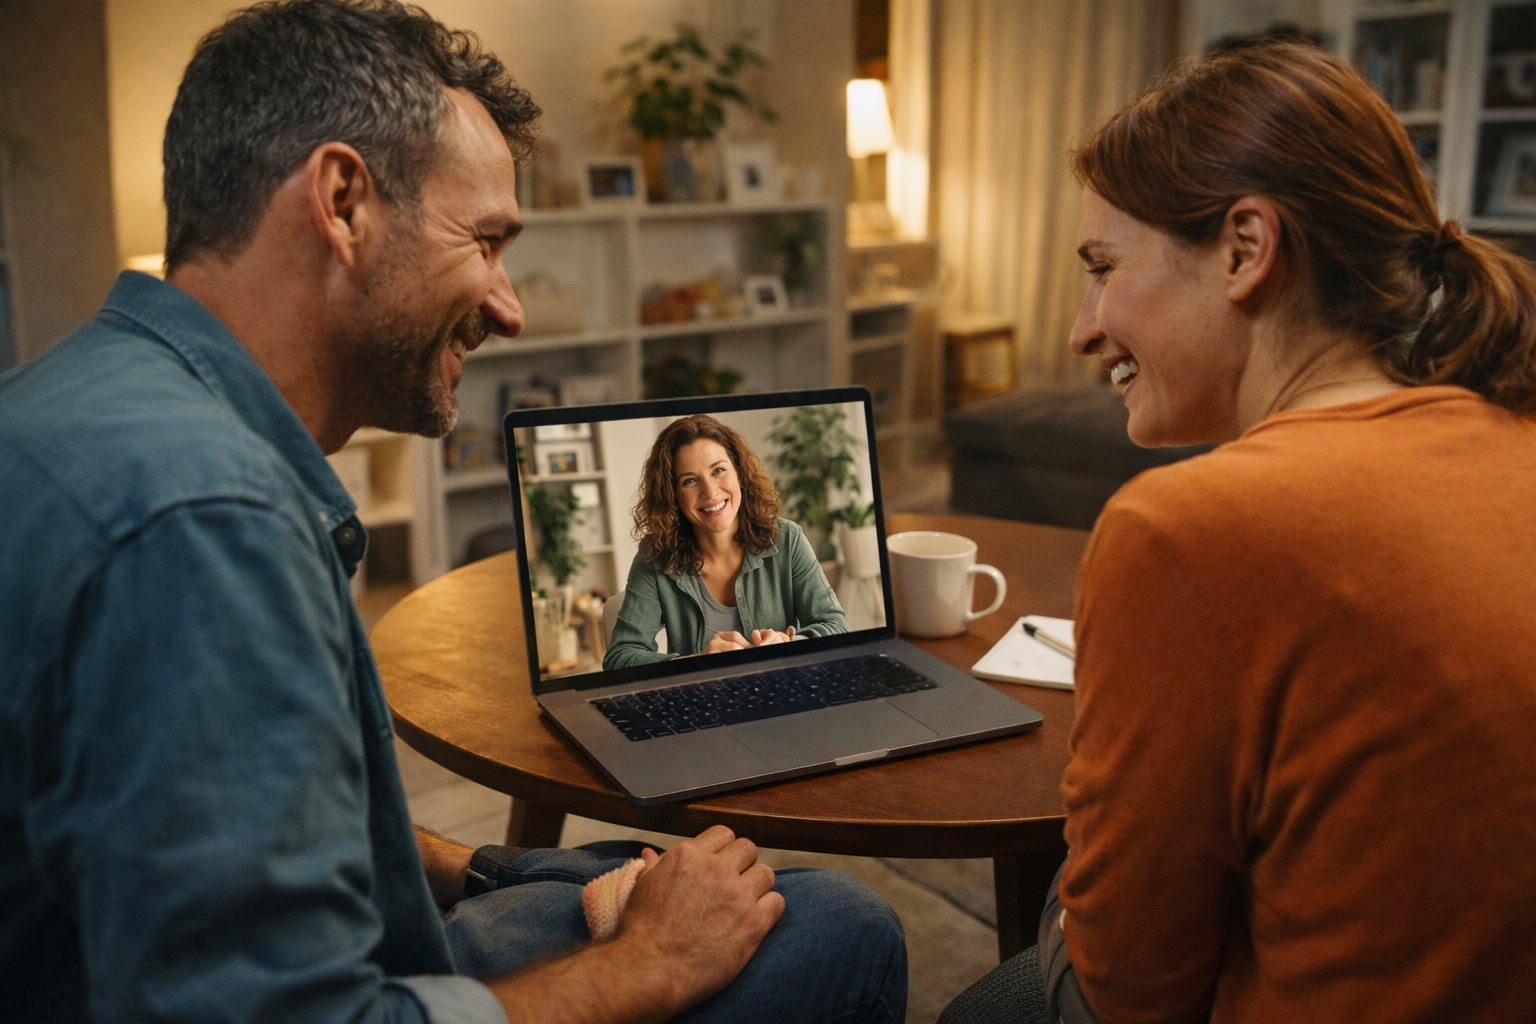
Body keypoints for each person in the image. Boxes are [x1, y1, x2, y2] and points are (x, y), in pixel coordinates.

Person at [0, 3, 908, 1021]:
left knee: (635, 871)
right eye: (485, 240)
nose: (510, 305)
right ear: (343, 202)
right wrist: (641, 965)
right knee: (842, 928)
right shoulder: (207, 523)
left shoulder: (67, 390)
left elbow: (210, 831)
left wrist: (472, 865)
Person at [941, 38, 1536, 1024]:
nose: (1083, 330)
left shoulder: (1189, 529)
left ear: (1246, 249)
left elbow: (1129, 985)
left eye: (1104, 268)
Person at [604, 414, 848, 670]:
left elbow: (837, 627)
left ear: (740, 473)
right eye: (689, 480)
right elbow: (620, 657)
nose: (710, 492)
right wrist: (697, 662)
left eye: (718, 470)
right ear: (672, 495)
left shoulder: (787, 540)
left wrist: (789, 641)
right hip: (702, 701)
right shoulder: (655, 557)